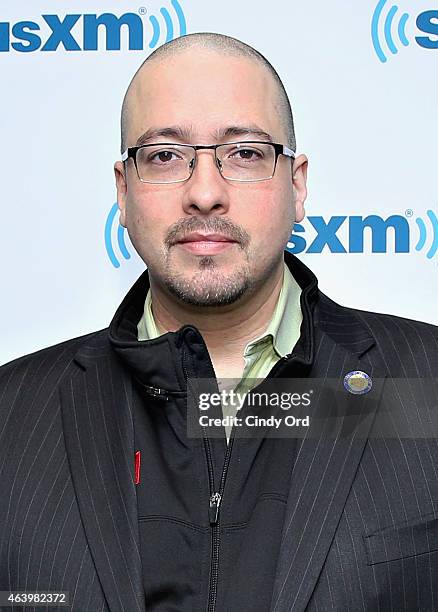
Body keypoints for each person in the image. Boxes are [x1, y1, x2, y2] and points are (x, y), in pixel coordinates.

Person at [1, 32, 438, 612]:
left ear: (297, 184)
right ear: (123, 191)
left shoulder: (427, 385)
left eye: (246, 153)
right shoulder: (11, 416)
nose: (205, 193)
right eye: (164, 156)